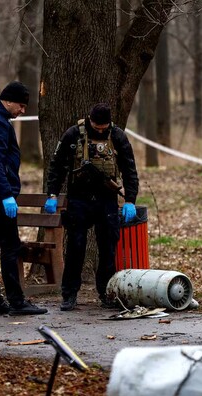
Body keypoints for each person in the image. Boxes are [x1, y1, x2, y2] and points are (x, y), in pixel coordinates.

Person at [44, 103, 139, 311]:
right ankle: (69, 294)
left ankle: (106, 293)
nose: (101, 130)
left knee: (107, 248)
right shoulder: (73, 135)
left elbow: (129, 169)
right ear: (90, 120)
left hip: (107, 200)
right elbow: (57, 165)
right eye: (97, 126)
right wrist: (52, 193)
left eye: (104, 127)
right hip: (79, 198)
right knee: (76, 247)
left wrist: (130, 199)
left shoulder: (118, 136)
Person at [0, 81, 48, 316]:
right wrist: (5, 195)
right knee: (10, 247)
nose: (22, 111)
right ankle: (16, 301)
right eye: (21, 106)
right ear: (9, 101)